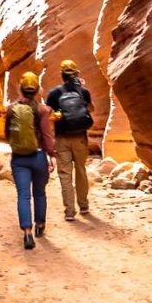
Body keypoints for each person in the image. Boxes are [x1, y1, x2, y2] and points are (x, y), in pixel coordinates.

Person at [4, 70, 55, 250]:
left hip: (19, 159)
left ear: (21, 89)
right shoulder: (42, 110)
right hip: (39, 156)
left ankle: (27, 234)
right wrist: (52, 155)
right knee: (39, 193)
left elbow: (7, 134)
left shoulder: (11, 109)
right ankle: (40, 225)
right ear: (37, 90)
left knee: (23, 196)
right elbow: (47, 136)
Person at [45, 59, 95, 220]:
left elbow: (47, 115)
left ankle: (69, 212)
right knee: (81, 171)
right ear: (75, 74)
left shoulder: (54, 93)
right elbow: (91, 109)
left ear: (62, 75)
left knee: (65, 174)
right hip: (80, 137)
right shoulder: (83, 91)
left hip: (61, 139)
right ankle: (84, 206)